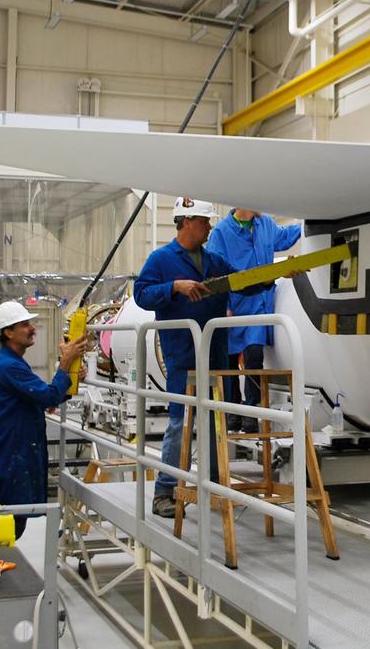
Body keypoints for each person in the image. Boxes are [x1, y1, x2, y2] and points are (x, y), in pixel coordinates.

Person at [135, 197, 252, 518]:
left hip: (215, 353)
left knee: (216, 422)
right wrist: (174, 287)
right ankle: (165, 493)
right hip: (182, 355)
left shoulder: (213, 261)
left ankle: (212, 486)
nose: (209, 227)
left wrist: (280, 275)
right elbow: (141, 294)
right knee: (180, 424)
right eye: (204, 221)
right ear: (186, 222)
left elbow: (242, 283)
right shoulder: (161, 260)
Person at [0, 299, 89, 539]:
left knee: (22, 518)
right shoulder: (8, 367)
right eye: (24, 324)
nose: (32, 328)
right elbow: (46, 396)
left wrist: (71, 378)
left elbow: (47, 398)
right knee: (14, 523)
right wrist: (64, 365)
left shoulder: (12, 364)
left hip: (21, 454)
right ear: (7, 333)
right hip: (15, 457)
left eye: (30, 322)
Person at [206, 208, 302, 433]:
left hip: (259, 303)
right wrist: (225, 306)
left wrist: (307, 226)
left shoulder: (266, 225)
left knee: (254, 355)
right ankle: (233, 410)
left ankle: (251, 409)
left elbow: (284, 237)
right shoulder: (221, 232)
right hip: (233, 304)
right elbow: (214, 272)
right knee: (229, 360)